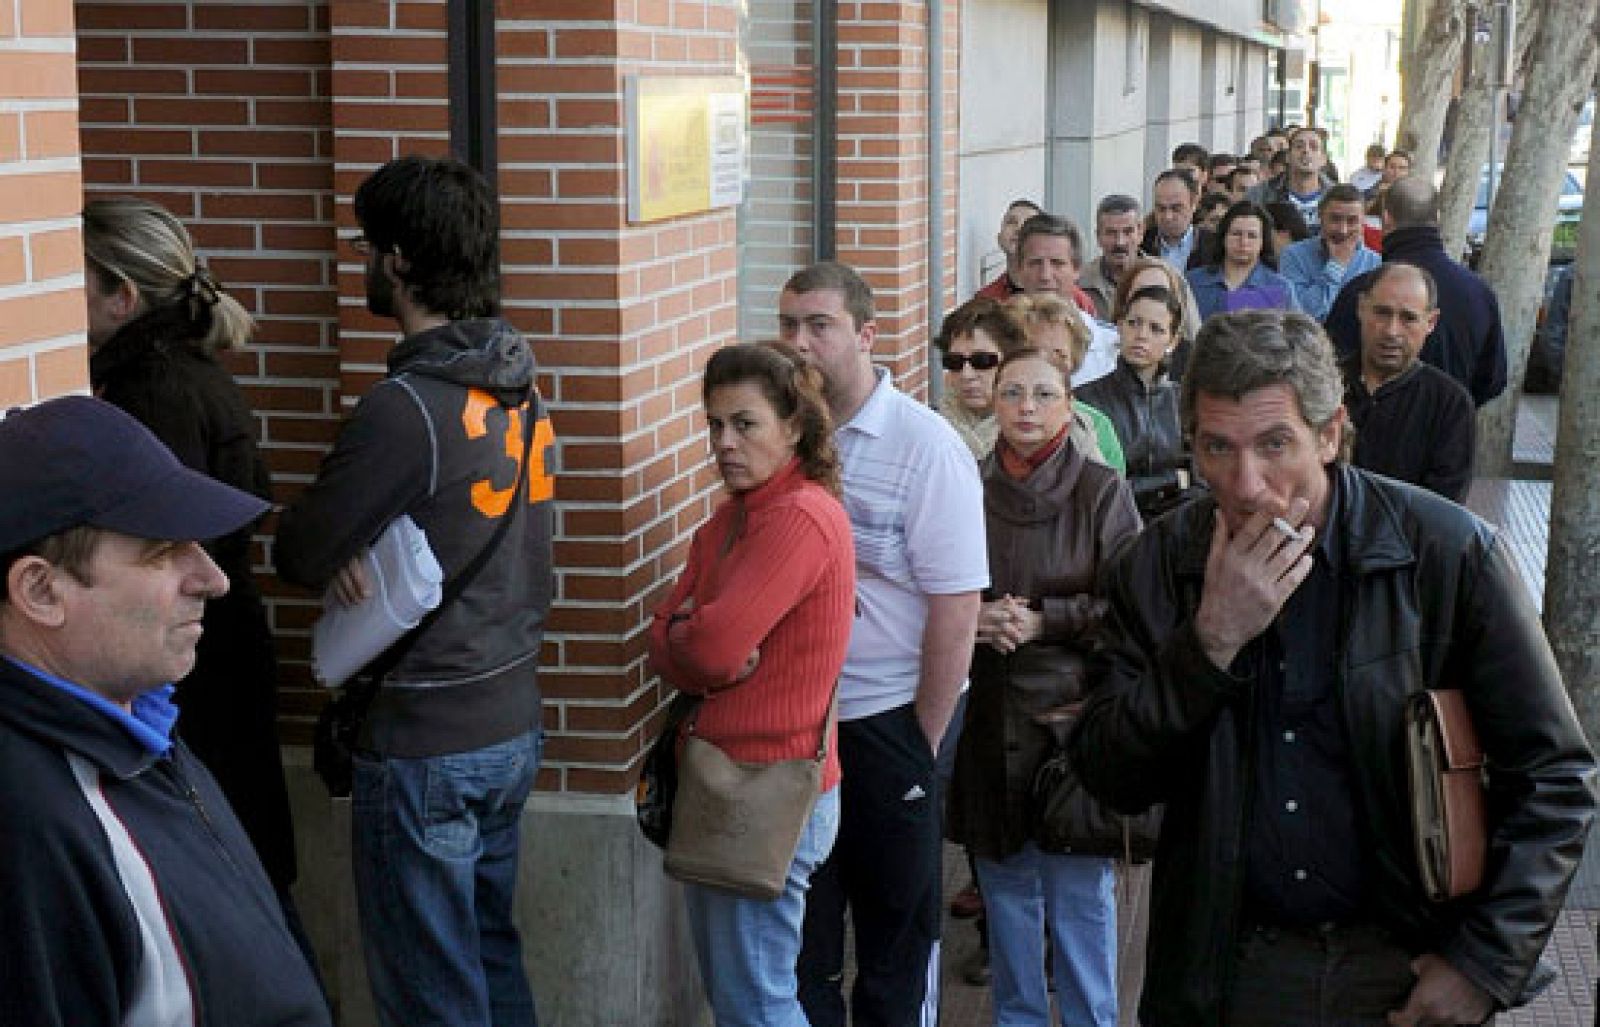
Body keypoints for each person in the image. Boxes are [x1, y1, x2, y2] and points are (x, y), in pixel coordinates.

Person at [1069, 308, 1598, 1025]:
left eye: (1274, 444)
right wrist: (1210, 644)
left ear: (1329, 433)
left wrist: (1485, 962)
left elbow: (1555, 776)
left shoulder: (1446, 555)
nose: (1246, 482)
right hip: (1229, 968)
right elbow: (1109, 774)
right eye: (1218, 447)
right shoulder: (1158, 565)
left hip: (1399, 965)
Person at [274, 155, 555, 1027]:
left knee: (430, 991)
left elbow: (301, 548)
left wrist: (344, 541)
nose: (360, 260)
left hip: (426, 739)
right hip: (510, 720)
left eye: (366, 245)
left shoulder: (404, 407)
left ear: (397, 260)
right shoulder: (519, 381)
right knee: (490, 957)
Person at [0, 396, 331, 1025]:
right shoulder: (31, 825)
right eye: (161, 551)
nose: (212, 579)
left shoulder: (131, 724)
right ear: (41, 590)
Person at [80, 197, 300, 917]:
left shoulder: (152, 393)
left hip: (194, 668)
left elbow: (164, 541)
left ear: (122, 296)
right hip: (216, 655)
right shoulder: (186, 374)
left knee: (229, 888)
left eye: (75, 277)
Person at [782, 261, 988, 1027]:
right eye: (788, 324)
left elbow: (956, 606)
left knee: (895, 944)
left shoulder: (925, 446)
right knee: (804, 943)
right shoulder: (782, 436)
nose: (799, 342)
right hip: (801, 729)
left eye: (819, 325)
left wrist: (920, 741)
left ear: (867, 334)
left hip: (888, 722)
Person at [648, 342, 856, 1025]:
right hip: (726, 782)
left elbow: (709, 648)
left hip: (768, 790)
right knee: (741, 998)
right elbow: (669, 637)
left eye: (745, 423)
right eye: (715, 424)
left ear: (794, 427)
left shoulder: (798, 516)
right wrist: (686, 637)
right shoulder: (735, 515)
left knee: (756, 1004)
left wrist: (691, 637)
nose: (724, 443)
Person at [947, 347, 1141, 1026]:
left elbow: (1134, 608)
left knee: (1080, 893)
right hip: (987, 707)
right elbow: (930, 587)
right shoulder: (965, 484)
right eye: (1012, 393)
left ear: (1069, 405)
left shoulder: (1101, 490)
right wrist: (976, 617)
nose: (1026, 408)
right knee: (1006, 890)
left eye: (1043, 394)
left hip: (1071, 719)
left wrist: (1045, 619)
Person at [1324, 176, 1507, 406]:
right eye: (1384, 313)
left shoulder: (1362, 290)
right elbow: (1493, 380)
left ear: (1386, 219)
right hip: (1450, 423)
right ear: (1437, 219)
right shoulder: (1479, 293)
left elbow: (1329, 369)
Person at [1342, 263, 1475, 502]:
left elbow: (1442, 506)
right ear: (1361, 308)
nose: (1391, 331)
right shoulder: (1323, 385)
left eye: (1408, 318)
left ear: (1431, 322)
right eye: (1382, 313)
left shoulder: (1450, 405)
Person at [1077, 285, 1193, 521]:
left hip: (1177, 527)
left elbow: (1201, 483)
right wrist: (1173, 480)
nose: (1141, 335)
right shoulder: (1086, 399)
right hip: (1112, 526)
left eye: (1156, 329)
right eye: (1134, 323)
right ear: (1119, 327)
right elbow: (1097, 489)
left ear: (1172, 341)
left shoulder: (1184, 401)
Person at [1007, 292, 1125, 472]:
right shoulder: (1001, 418)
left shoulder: (1098, 426)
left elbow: (1113, 486)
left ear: (1074, 361)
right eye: (1035, 352)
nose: (1047, 364)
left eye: (1059, 355)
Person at [934, 297, 1029, 458]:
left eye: (982, 361)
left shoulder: (1042, 430)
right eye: (955, 362)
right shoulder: (929, 430)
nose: (966, 374)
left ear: (1012, 361)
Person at [1278, 184, 1381, 321]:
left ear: (1363, 222)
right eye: (1335, 219)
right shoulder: (1293, 255)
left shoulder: (1375, 263)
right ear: (1320, 217)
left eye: (1352, 221)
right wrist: (1336, 266)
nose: (1343, 230)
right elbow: (1302, 315)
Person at [1186, 201, 1298, 323]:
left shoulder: (1280, 287)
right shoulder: (1193, 282)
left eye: (1252, 236)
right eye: (1236, 234)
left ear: (1263, 242)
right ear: (1224, 237)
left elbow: (1297, 332)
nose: (1243, 242)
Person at [1249, 126, 1335, 233]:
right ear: (1288, 157)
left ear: (1324, 159)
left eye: (1313, 147)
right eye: (1299, 146)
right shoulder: (1260, 194)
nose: (1306, 151)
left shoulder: (1336, 195)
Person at [1079, 194, 1142, 322]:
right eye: (1111, 233)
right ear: (1098, 237)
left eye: (1128, 232)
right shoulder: (1079, 283)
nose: (1120, 242)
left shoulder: (1165, 280)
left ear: (1140, 233)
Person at [976, 198, 1045, 302]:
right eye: (1011, 222)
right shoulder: (986, 298)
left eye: (1028, 224)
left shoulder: (1062, 293)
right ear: (999, 239)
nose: (1019, 229)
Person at [1143, 168, 1210, 272]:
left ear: (1194, 204)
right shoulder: (1141, 245)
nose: (1168, 217)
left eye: (1176, 208)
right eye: (1161, 208)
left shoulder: (1214, 247)